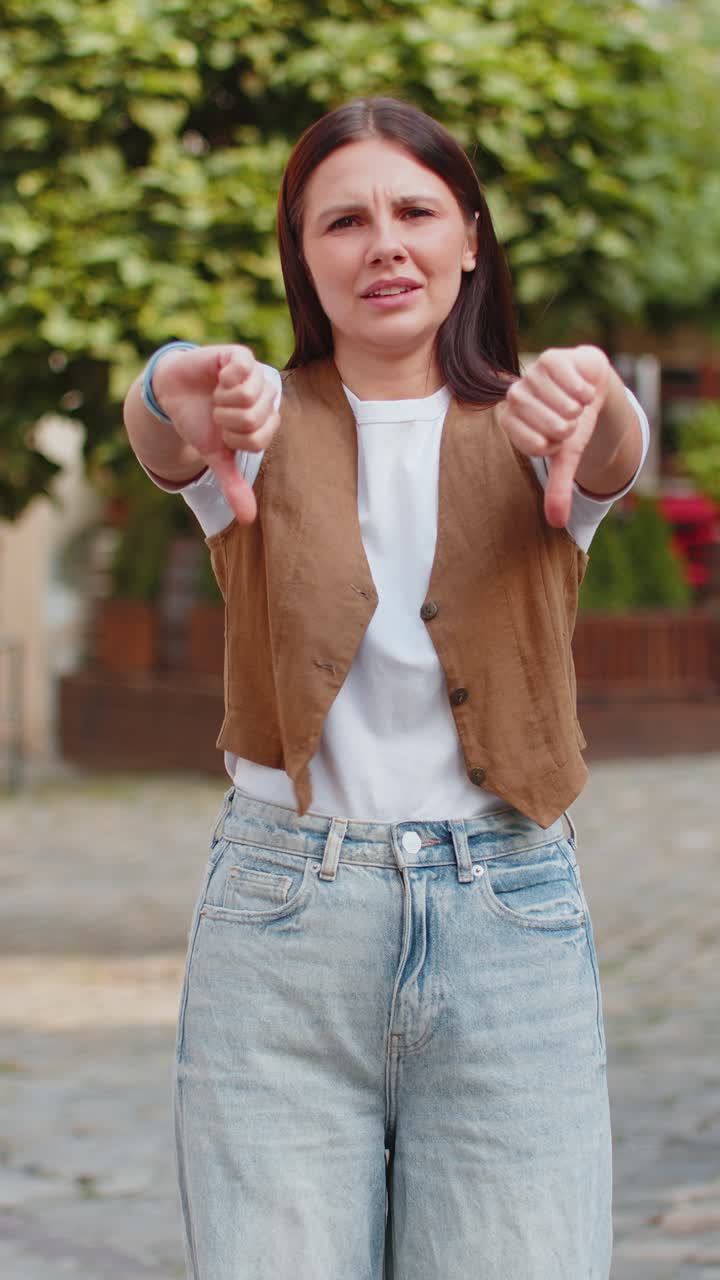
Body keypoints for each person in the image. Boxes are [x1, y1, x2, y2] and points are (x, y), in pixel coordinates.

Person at [123, 96, 649, 1280]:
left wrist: (598, 395)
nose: (385, 244)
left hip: (509, 921)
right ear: (304, 258)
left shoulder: (538, 420)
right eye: (343, 221)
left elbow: (615, 449)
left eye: (415, 210)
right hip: (284, 925)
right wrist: (173, 379)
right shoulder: (250, 423)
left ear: (471, 236)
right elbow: (160, 424)